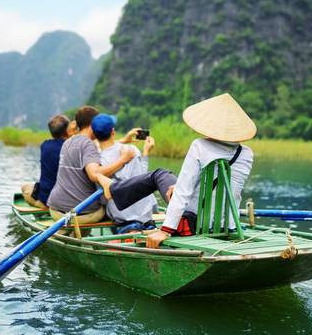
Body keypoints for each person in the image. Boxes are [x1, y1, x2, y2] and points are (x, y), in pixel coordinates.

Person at [141, 93, 255, 248]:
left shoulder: (199, 146)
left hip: (197, 225)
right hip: (228, 225)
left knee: (168, 183)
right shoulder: (246, 153)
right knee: (175, 186)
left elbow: (183, 192)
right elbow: (227, 187)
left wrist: (165, 230)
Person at [46, 106, 136, 224]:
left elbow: (95, 147)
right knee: (112, 207)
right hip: (79, 213)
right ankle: (120, 234)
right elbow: (94, 174)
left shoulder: (68, 142)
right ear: (92, 124)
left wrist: (123, 140)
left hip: (55, 209)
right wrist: (123, 159)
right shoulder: (88, 145)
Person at [91, 114, 159, 233]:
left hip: (121, 217)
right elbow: (143, 178)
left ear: (94, 134)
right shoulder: (131, 149)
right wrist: (146, 152)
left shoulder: (95, 161)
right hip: (145, 215)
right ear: (113, 131)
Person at [21, 114, 71, 209]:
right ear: (67, 130)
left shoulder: (44, 145)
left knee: (25, 187)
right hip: (63, 198)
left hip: (45, 197)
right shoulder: (69, 147)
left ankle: (40, 205)